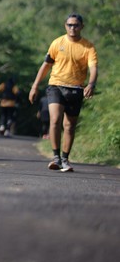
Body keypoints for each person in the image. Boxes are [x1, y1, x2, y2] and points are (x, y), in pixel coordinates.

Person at [29, 13, 98, 172]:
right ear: (65, 26)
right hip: (56, 86)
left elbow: (93, 68)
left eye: (76, 25)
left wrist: (91, 84)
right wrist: (34, 86)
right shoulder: (57, 43)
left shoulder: (88, 47)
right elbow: (46, 66)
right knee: (55, 120)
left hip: (76, 89)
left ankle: (65, 158)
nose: (72, 28)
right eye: (69, 25)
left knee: (69, 126)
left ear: (81, 26)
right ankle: (56, 158)